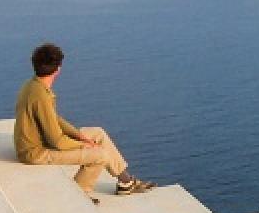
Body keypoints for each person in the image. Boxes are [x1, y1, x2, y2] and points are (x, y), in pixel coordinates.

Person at [14, 42, 156, 203]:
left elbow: (55, 119)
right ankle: (79, 194)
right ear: (58, 69)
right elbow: (57, 141)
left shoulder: (33, 85)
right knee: (99, 155)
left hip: (38, 141)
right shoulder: (41, 96)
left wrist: (80, 136)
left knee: (97, 133)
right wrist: (84, 146)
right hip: (35, 152)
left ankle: (126, 182)